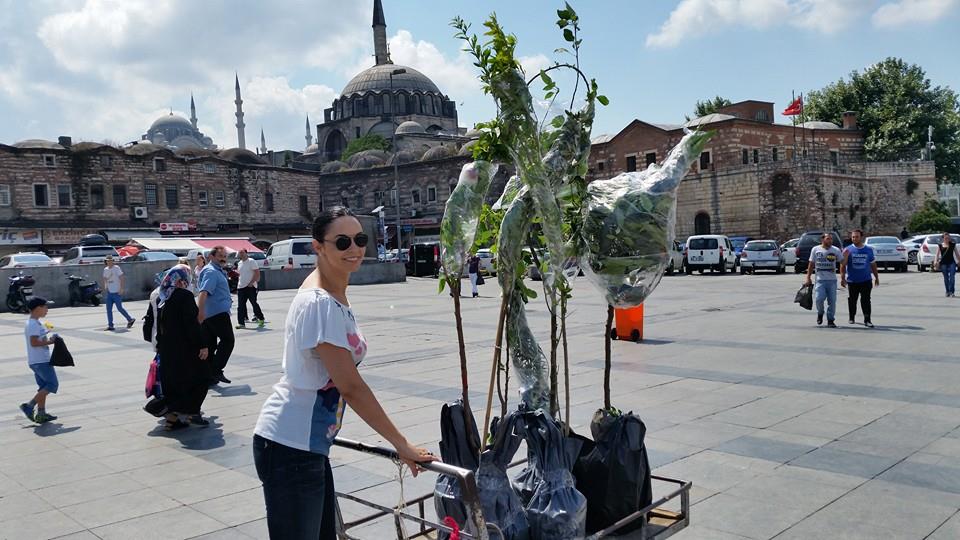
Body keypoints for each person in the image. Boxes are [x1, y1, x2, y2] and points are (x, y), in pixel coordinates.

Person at [253, 207, 436, 539]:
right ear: (318, 247)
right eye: (342, 242)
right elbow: (350, 386)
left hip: (306, 447)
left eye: (360, 239)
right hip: (289, 446)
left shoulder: (331, 293)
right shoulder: (320, 302)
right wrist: (401, 444)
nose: (354, 249)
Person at [156, 265, 211, 430]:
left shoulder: (163, 297)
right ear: (180, 281)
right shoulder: (184, 296)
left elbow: (160, 325)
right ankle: (193, 412)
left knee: (174, 384)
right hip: (185, 349)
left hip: (167, 350)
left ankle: (173, 420)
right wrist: (202, 345)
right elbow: (192, 325)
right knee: (203, 377)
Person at [198, 247, 235, 385]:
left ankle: (207, 375)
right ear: (211, 257)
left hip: (212, 313)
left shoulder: (217, 270)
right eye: (220, 255)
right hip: (216, 314)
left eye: (224, 255)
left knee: (210, 345)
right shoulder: (211, 271)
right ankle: (216, 369)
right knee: (228, 340)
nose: (223, 258)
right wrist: (200, 312)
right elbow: (203, 292)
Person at [19, 297, 58, 424]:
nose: (47, 310)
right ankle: (29, 406)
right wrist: (51, 341)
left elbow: (37, 340)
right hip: (40, 361)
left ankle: (41, 414)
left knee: (43, 387)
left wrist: (47, 336)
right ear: (37, 308)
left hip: (36, 360)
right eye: (45, 307)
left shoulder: (35, 323)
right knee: (52, 384)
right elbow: (34, 342)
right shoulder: (33, 324)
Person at [840, 229, 879, 328]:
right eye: (853, 237)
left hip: (866, 280)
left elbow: (873, 264)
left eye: (856, 237)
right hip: (852, 280)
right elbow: (842, 265)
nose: (854, 238)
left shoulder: (868, 250)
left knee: (866, 300)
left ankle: (867, 320)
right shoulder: (847, 250)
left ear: (861, 237)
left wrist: (876, 277)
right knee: (852, 300)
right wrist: (842, 278)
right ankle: (851, 317)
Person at [804, 233, 843, 328]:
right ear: (822, 239)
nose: (830, 241)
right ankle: (820, 313)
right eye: (828, 239)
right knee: (819, 299)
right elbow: (811, 264)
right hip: (820, 280)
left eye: (831, 239)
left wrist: (843, 276)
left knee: (832, 301)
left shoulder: (836, 250)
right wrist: (808, 277)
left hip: (832, 280)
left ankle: (830, 320)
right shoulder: (816, 249)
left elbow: (842, 262)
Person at [102, 255, 135, 331]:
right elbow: (104, 278)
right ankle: (110, 325)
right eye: (108, 261)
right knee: (108, 309)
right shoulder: (105, 269)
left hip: (117, 292)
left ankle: (130, 319)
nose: (109, 262)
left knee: (119, 308)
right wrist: (105, 285)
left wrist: (122, 288)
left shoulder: (116, 268)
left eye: (110, 261)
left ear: (113, 261)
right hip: (110, 292)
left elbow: (122, 278)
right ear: (106, 261)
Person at [236, 249, 265, 329]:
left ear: (246, 253)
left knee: (254, 303)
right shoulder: (239, 263)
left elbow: (257, 272)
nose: (241, 254)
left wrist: (252, 282)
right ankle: (241, 323)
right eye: (239, 253)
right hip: (241, 287)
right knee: (240, 306)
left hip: (250, 287)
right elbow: (241, 275)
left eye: (242, 253)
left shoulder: (251, 261)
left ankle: (261, 318)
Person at [933, 232, 959, 297]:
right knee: (946, 278)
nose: (947, 239)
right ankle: (947, 291)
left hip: (951, 262)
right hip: (943, 263)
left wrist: (959, 261)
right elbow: (937, 254)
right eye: (946, 238)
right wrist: (935, 261)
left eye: (948, 237)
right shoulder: (940, 245)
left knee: (952, 277)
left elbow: (957, 254)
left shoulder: (953, 245)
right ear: (943, 238)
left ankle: (952, 292)